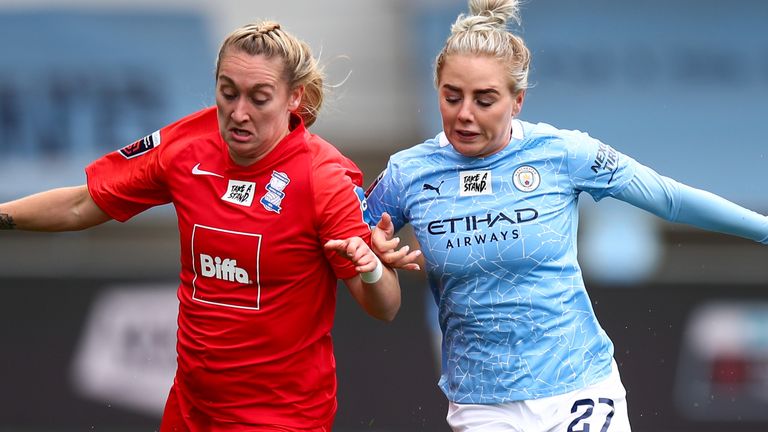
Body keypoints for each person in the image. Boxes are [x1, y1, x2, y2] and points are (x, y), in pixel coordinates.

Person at [365, 0, 768, 431]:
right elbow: (343, 234)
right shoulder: (407, 174)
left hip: (579, 386)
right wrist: (373, 255)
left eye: (485, 100)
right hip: (481, 404)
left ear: (517, 101)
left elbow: (669, 198)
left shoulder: (562, 153)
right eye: (452, 97)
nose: (465, 113)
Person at [0, 20, 402, 431]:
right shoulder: (188, 144)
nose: (239, 113)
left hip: (282, 419)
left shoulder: (323, 178)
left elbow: (385, 307)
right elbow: (80, 204)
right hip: (191, 413)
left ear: (293, 98)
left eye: (259, 98)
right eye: (228, 93)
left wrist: (369, 266)